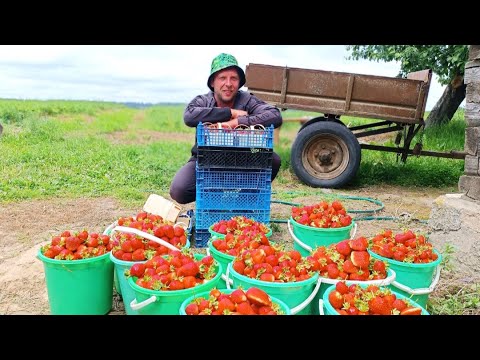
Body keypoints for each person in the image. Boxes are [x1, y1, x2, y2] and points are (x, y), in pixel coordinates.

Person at [170, 53, 283, 204]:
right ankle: (212, 195)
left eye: (234, 78)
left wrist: (236, 122)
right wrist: (229, 113)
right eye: (222, 78)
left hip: (244, 160)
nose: (228, 84)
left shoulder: (247, 100)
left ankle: (245, 199)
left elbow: (274, 115)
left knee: (273, 159)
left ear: (239, 83)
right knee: (179, 190)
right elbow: (189, 116)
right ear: (212, 82)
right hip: (206, 161)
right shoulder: (204, 101)